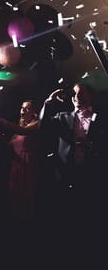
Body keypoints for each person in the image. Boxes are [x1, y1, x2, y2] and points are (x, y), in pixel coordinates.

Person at [40, 82, 108, 233]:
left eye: (82, 93)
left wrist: (92, 146)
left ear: (91, 96)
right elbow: (43, 126)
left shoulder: (102, 118)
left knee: (90, 217)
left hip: (92, 173)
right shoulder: (63, 117)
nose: (77, 97)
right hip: (66, 172)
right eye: (75, 93)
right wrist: (48, 103)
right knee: (66, 216)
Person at [0, 100, 41, 224]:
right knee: (16, 195)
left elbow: (23, 132)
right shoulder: (19, 127)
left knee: (28, 196)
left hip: (29, 164)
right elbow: (12, 146)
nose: (23, 110)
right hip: (16, 164)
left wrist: (1, 120)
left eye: (27, 108)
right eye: (22, 107)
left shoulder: (37, 124)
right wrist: (3, 142)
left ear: (34, 112)